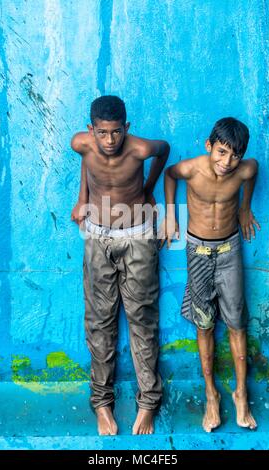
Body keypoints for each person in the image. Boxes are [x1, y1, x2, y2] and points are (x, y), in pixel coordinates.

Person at [70, 95, 170, 435]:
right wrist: (82, 199)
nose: (109, 141)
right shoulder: (81, 144)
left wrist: (148, 188)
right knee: (100, 322)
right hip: (97, 235)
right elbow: (86, 160)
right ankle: (102, 403)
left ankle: (148, 404)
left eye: (116, 132)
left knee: (143, 318)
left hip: (138, 232)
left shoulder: (140, 149)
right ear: (91, 130)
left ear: (126, 128)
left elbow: (165, 150)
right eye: (102, 133)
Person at [163, 117, 259, 433]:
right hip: (198, 251)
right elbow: (169, 174)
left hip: (230, 250)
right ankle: (211, 394)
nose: (227, 162)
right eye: (220, 152)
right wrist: (170, 216)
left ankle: (241, 393)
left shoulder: (244, 169)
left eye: (234, 155)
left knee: (236, 322)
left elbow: (253, 169)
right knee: (204, 323)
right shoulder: (191, 169)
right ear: (209, 146)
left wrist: (245, 208)